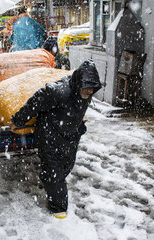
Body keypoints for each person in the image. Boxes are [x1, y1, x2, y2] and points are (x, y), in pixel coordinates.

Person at [9, 59, 102, 219]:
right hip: (49, 134)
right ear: (79, 82)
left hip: (70, 135)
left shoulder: (87, 92)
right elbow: (35, 102)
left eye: (92, 89)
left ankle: (49, 179)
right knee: (54, 173)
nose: (89, 92)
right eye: (86, 88)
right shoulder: (59, 91)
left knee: (66, 166)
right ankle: (58, 209)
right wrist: (17, 120)